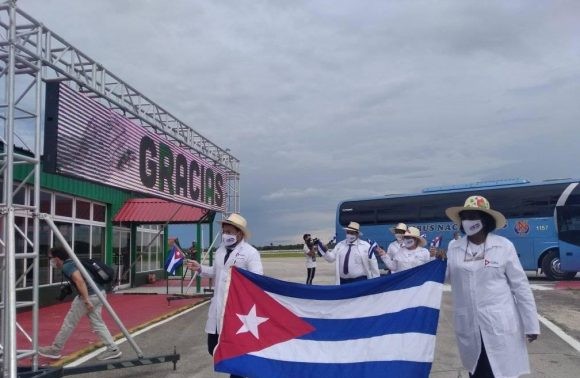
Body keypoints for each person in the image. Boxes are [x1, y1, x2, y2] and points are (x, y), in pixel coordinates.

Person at [444, 195, 539, 378]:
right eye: (465, 217)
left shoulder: (503, 246)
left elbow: (520, 287)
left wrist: (531, 324)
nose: (468, 221)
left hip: (499, 323)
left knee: (499, 371)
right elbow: (442, 278)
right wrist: (436, 263)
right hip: (469, 325)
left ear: (485, 221)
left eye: (473, 217)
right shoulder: (454, 248)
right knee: (477, 371)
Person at [186, 213, 262, 378]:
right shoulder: (220, 250)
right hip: (218, 306)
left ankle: (239, 373)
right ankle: (239, 370)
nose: (225, 235)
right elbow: (215, 272)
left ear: (239, 233)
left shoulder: (250, 253)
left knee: (235, 350)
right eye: (224, 231)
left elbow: (257, 279)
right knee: (213, 347)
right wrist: (200, 268)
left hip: (237, 310)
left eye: (229, 231)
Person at [39, 247, 122, 361]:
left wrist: (86, 300)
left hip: (89, 296)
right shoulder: (73, 262)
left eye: (50, 258)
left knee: (69, 322)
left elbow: (80, 281)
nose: (50, 261)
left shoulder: (67, 266)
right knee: (97, 323)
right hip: (100, 293)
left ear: (57, 258)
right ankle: (113, 349)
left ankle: (55, 349)